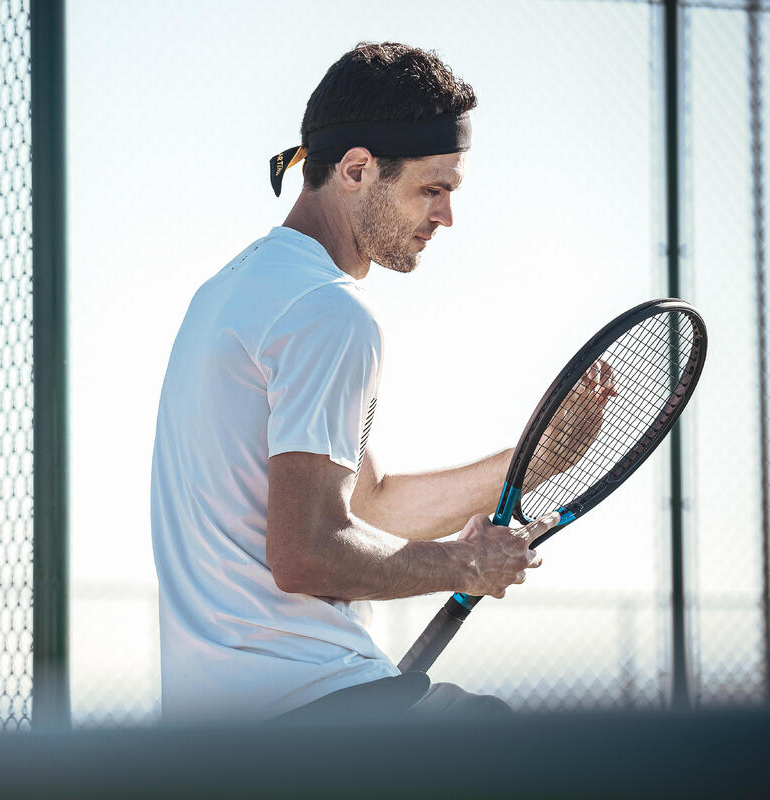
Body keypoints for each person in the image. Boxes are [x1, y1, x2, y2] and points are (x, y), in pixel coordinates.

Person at [151, 42, 610, 724]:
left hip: (220, 731)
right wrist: (463, 565)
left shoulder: (229, 295)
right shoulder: (329, 311)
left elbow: (368, 509)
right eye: (433, 189)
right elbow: (307, 553)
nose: (446, 216)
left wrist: (539, 460)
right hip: (311, 710)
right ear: (358, 169)